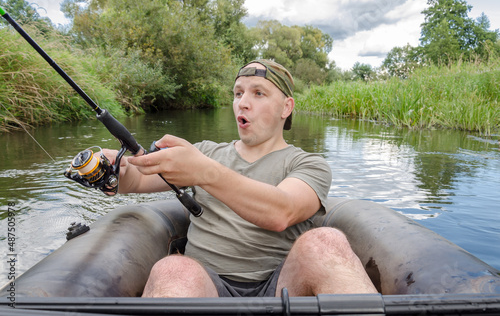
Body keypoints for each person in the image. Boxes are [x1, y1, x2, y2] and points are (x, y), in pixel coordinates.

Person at [104, 60, 377, 297]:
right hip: (204, 286)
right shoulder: (205, 152)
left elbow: (281, 212)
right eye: (238, 93)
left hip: (283, 287)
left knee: (326, 242)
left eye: (258, 93)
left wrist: (204, 172)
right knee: (173, 268)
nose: (242, 103)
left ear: (286, 107)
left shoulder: (308, 164)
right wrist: (113, 168)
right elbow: (137, 180)